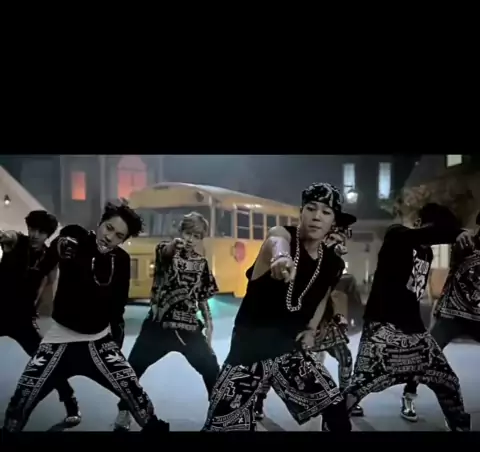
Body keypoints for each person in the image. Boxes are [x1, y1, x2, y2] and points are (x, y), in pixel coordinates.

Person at [2, 201, 169, 435]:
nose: (110, 237)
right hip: (59, 339)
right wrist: (43, 247)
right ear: (100, 223)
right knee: (20, 402)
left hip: (99, 342)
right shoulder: (75, 240)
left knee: (138, 399)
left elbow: (117, 308)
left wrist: (116, 345)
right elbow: (42, 265)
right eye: (109, 228)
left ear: (123, 240)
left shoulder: (121, 260)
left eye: (119, 236)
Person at [202, 183, 356, 432]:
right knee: (221, 427)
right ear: (301, 212)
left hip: (290, 352)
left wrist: (311, 329)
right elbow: (276, 239)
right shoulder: (283, 237)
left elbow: (322, 297)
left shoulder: (332, 263)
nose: (317, 216)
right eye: (311, 209)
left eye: (326, 212)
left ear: (333, 221)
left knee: (336, 411)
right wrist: (281, 257)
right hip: (248, 353)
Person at [344, 203, 473, 432]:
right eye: (436, 230)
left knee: (447, 381)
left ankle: (460, 427)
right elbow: (429, 234)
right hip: (382, 326)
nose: (436, 237)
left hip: (414, 330)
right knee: (361, 385)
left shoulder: (427, 252)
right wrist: (457, 233)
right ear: (419, 224)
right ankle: (332, 422)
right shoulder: (397, 235)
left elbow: (415, 291)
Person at [113, 211, 220, 432]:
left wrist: (209, 326)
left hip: (189, 329)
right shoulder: (165, 250)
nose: (191, 239)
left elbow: (202, 298)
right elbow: (166, 251)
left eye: (196, 236)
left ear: (202, 239)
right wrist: (174, 245)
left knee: (212, 370)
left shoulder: (202, 263)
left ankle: (219, 415)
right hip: (158, 326)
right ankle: (125, 410)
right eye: (188, 233)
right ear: (180, 232)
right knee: (133, 369)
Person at [0, 210, 80, 427]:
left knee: (46, 361)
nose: (35, 235)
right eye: (32, 229)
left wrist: (38, 307)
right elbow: (9, 236)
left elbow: (47, 283)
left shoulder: (49, 256)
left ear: (48, 234)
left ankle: (70, 402)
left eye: (41, 232)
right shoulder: (17, 242)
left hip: (22, 319)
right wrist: (4, 236)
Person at [400, 210, 480, 422]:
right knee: (426, 353)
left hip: (478, 315)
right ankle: (408, 395)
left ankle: (453, 414)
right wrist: (459, 232)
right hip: (453, 312)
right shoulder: (467, 241)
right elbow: (444, 233)